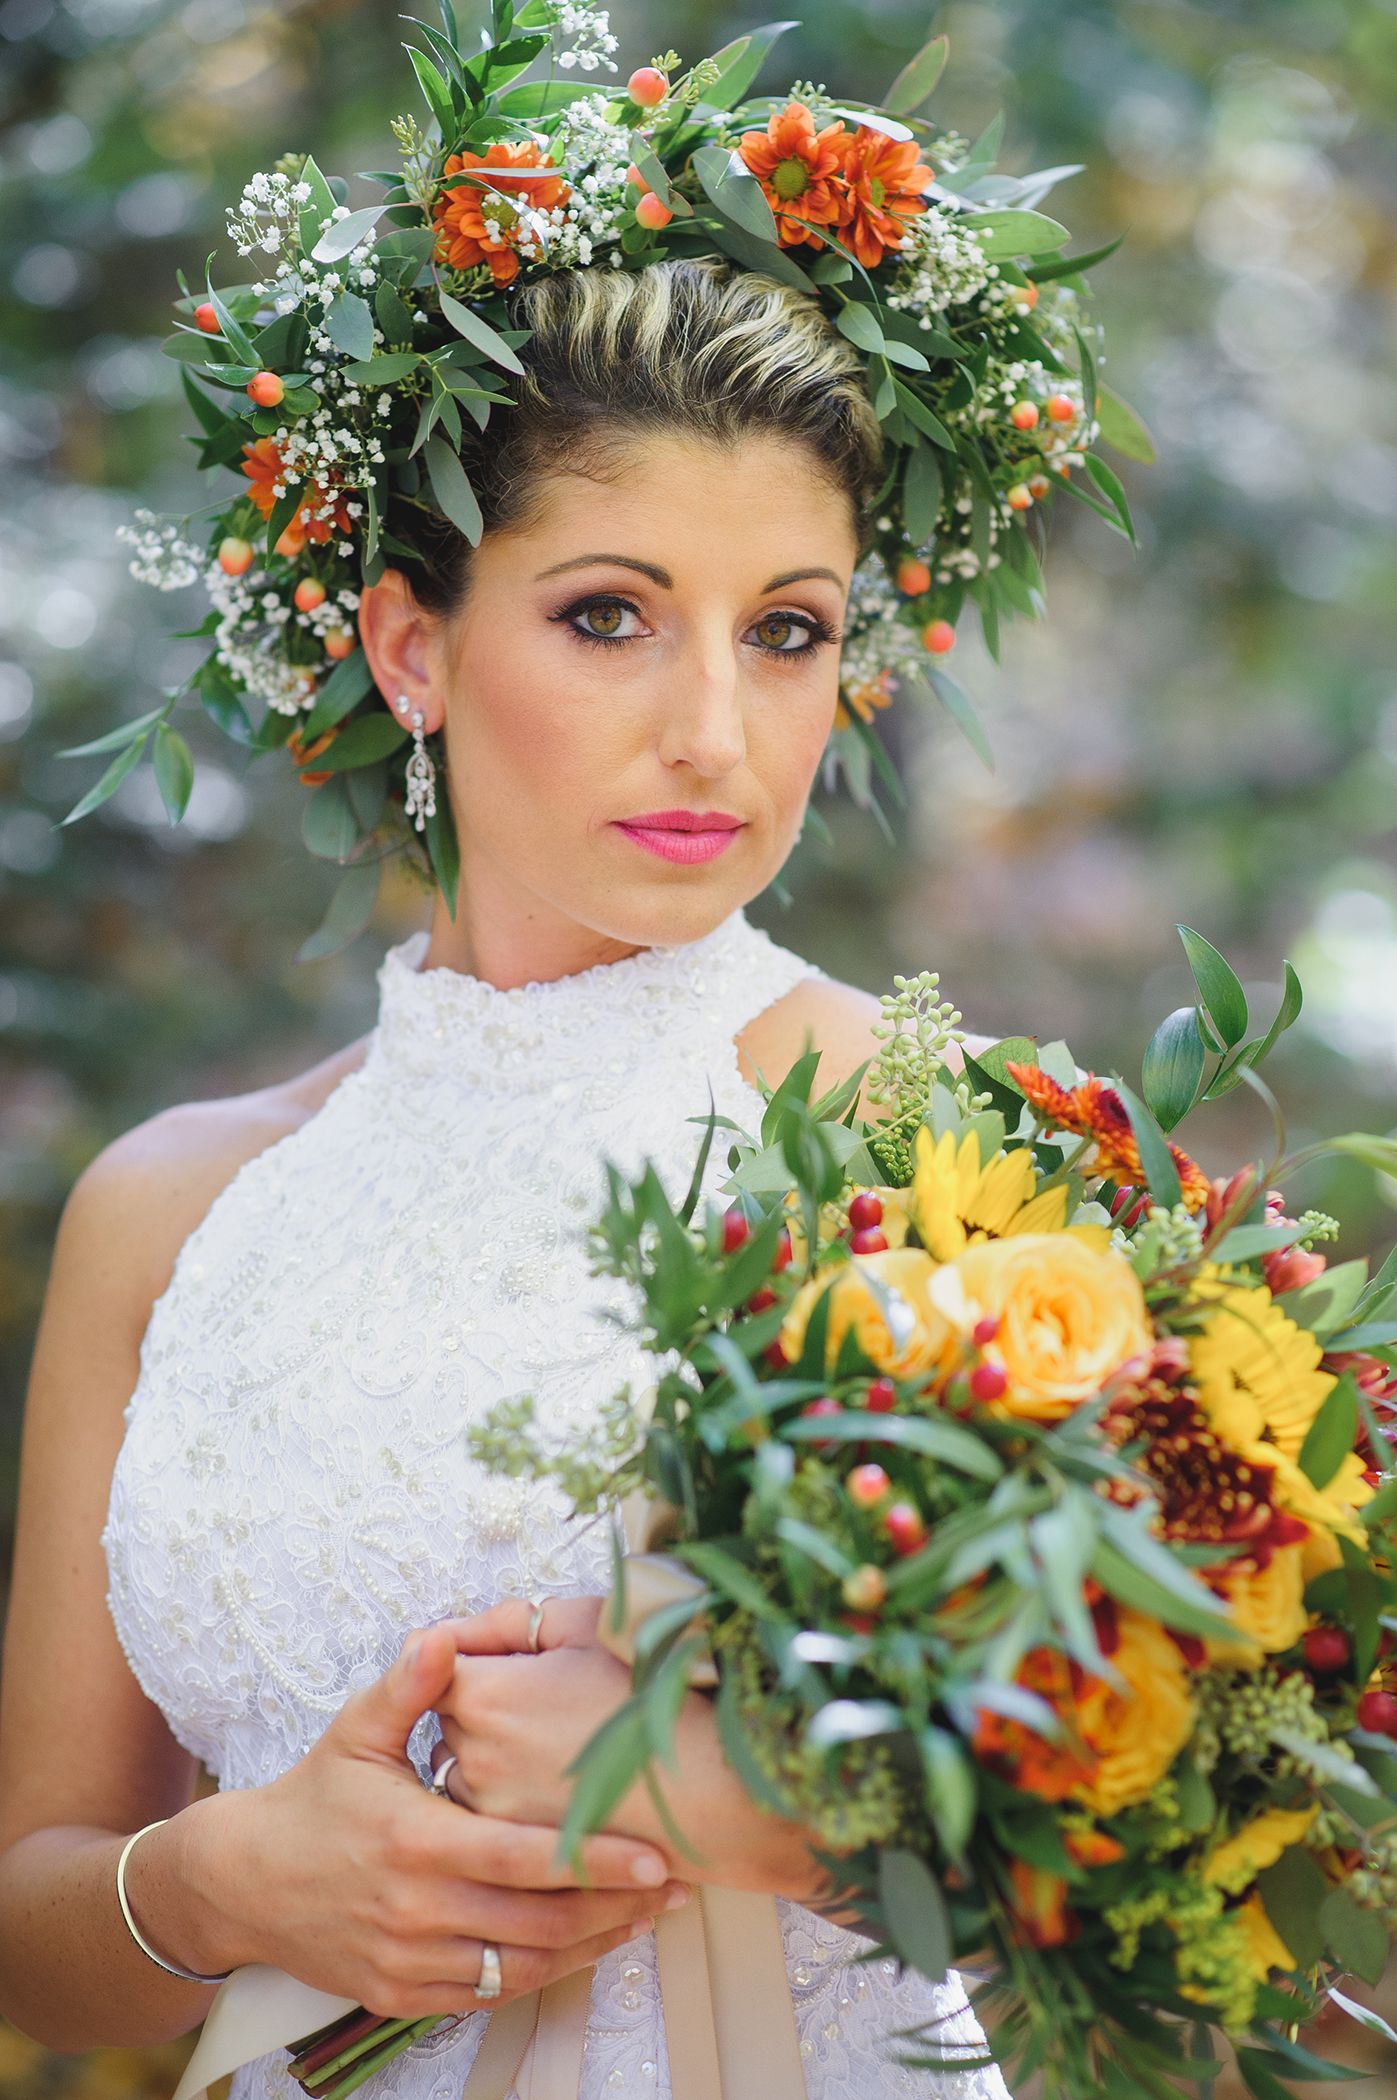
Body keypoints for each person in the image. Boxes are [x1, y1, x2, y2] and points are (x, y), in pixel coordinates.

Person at [0, 257, 1010, 2097]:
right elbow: (41, 1925)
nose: (715, 724)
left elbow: (1195, 1798)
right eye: (612, 614)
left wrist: (754, 1805)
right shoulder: (170, 1209)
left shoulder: (928, 1125)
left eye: (785, 628)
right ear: (410, 651)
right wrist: (226, 1881)